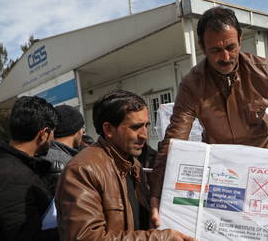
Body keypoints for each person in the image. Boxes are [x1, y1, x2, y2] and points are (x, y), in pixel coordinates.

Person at [149, 6, 268, 225]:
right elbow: (174, 138)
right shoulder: (192, 85)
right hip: (222, 174)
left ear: (240, 39)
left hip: (263, 166)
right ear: (203, 47)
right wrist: (156, 193)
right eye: (215, 51)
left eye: (231, 47)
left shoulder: (262, 72)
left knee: (266, 227)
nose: (225, 57)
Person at [55, 90, 194, 241]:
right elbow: (86, 237)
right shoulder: (82, 170)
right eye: (135, 127)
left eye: (146, 126)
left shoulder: (134, 166)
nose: (144, 135)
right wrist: (159, 238)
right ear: (108, 129)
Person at [0, 96, 59, 241]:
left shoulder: (15, 165)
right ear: (43, 134)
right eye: (53, 133)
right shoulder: (13, 176)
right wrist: (68, 228)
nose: (53, 139)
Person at [42, 104, 85, 195]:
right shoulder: (72, 164)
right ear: (76, 130)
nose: (83, 132)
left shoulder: (41, 155)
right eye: (82, 127)